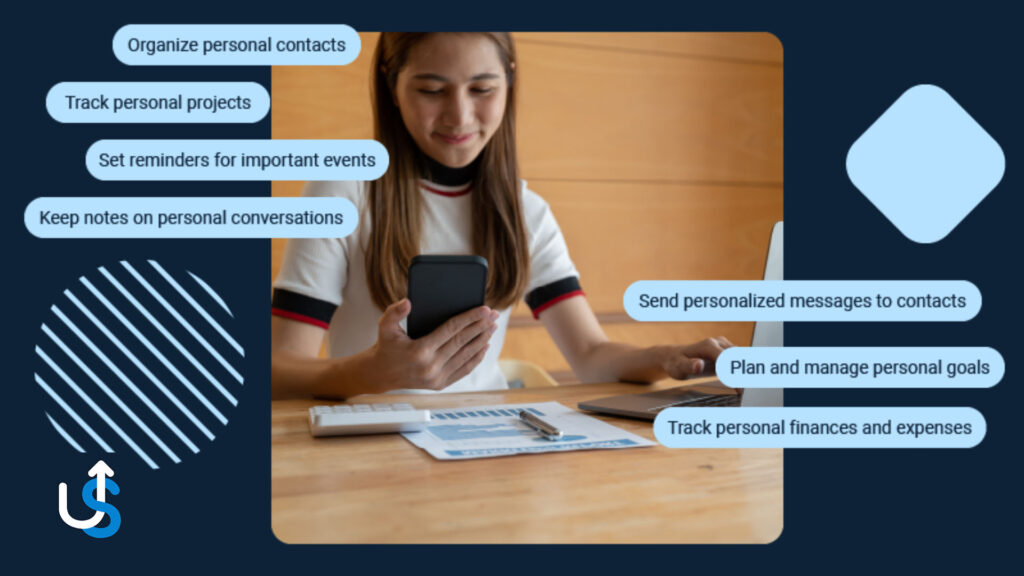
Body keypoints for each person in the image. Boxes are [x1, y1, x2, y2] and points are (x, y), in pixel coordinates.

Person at [271, 32, 733, 399]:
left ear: (509, 81)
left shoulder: (524, 211)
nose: (459, 115)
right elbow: (278, 369)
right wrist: (371, 372)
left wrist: (669, 357)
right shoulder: (344, 192)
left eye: (482, 89)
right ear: (391, 84)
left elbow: (591, 355)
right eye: (431, 89)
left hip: (484, 439)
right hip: (368, 445)